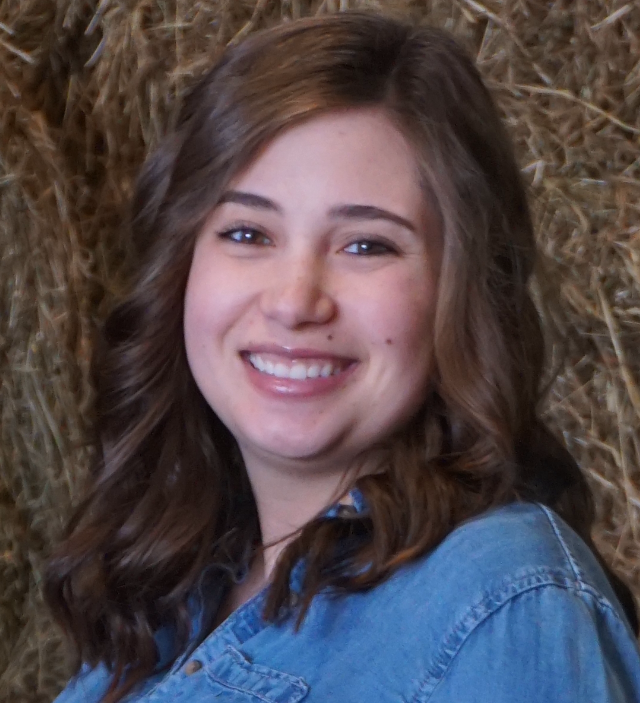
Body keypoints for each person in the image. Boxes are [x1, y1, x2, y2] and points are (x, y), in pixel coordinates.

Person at [45, 11, 640, 703]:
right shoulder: (176, 590)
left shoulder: (507, 605)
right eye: (248, 233)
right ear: (179, 266)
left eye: (366, 245)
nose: (294, 301)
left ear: (466, 290)